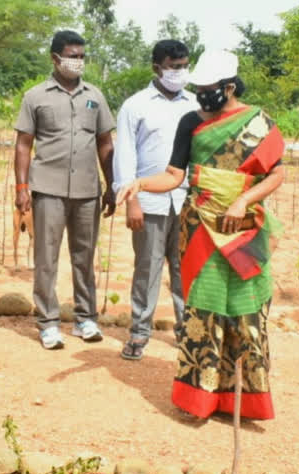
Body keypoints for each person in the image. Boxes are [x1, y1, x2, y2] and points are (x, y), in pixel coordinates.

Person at [117, 50, 285, 420]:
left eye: (210, 88)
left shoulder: (259, 122)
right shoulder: (190, 122)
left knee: (245, 311)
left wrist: (244, 200)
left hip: (243, 227)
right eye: (200, 87)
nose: (202, 94)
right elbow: (175, 175)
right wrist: (141, 183)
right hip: (200, 232)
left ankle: (242, 397)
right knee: (203, 310)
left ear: (229, 87)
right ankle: (201, 398)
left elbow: (276, 174)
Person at [14, 30, 116, 350]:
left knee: (84, 256)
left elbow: (105, 143)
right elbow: (23, 145)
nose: (78, 62)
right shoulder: (35, 96)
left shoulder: (95, 96)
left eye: (82, 56)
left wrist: (112, 185)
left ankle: (86, 318)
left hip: (87, 189)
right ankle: (48, 322)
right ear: (55, 58)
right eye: (72, 56)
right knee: (46, 258)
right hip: (48, 188)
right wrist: (21, 186)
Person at [112, 40, 199, 361]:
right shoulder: (136, 106)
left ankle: (188, 331)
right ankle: (139, 333)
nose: (179, 72)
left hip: (187, 200)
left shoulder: (195, 104)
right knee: (147, 269)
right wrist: (131, 200)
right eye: (173, 66)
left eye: (183, 66)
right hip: (148, 200)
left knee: (185, 269)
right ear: (156, 68)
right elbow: (124, 157)